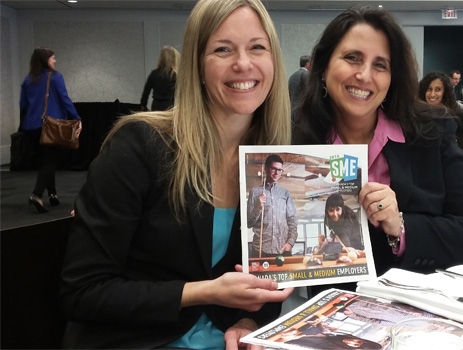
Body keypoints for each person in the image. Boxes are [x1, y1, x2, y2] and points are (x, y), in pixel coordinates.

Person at [58, 1, 294, 348]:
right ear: (197, 65)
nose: (243, 63)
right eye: (223, 49)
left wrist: (247, 321)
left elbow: (259, 281)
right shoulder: (140, 145)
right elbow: (82, 291)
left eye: (257, 47)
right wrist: (205, 292)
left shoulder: (271, 161)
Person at [293, 5, 463, 288]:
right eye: (352, 58)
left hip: (419, 308)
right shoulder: (298, 140)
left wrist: (401, 227)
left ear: (391, 78)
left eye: (380, 65)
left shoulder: (430, 134)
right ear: (322, 69)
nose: (364, 75)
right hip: (331, 315)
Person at [19, 47, 82, 213]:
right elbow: (65, 99)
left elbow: (23, 105)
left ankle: (52, 194)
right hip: (50, 125)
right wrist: (76, 118)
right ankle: (37, 194)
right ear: (45, 60)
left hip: (31, 127)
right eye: (53, 58)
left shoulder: (28, 80)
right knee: (50, 161)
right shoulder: (55, 77)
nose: (55, 61)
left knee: (46, 161)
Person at [247, 154, 298, 258]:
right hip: (260, 250)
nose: (277, 173)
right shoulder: (255, 192)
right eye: (274, 169)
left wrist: (290, 242)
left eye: (280, 170)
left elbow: (292, 220)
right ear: (266, 168)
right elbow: (248, 223)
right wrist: (258, 207)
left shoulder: (285, 193)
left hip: (282, 249)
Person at [418, 71, 463, 153]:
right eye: (429, 89)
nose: (432, 94)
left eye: (438, 89)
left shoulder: (457, 116)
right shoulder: (417, 116)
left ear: (445, 92)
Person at [140, 45, 179, 111]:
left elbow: (146, 93)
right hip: (170, 106)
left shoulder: (154, 74)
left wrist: (143, 105)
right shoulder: (175, 75)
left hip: (156, 106)